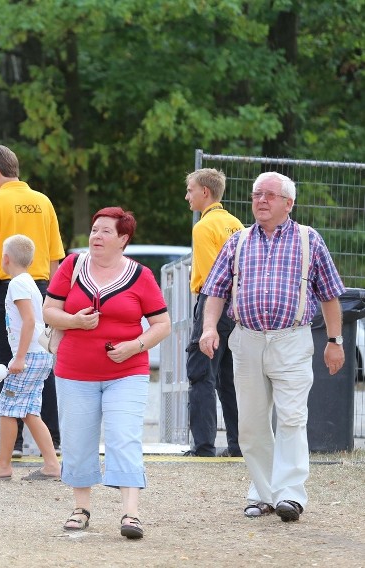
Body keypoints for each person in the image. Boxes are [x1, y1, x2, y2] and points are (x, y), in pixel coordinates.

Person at [199, 171, 345, 523]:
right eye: (256, 194)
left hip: (291, 341)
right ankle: (265, 494)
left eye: (269, 195)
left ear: (288, 203)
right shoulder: (237, 242)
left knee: (293, 418)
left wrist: (335, 342)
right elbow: (215, 291)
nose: (260, 201)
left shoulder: (310, 241)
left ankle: (291, 496)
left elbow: (330, 295)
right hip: (246, 340)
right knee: (250, 424)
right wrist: (207, 329)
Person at [43, 207, 171, 539]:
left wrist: (135, 345)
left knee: (124, 436)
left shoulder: (141, 275)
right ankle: (80, 508)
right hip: (74, 371)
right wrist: (74, 321)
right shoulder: (72, 266)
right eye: (94, 229)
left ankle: (131, 514)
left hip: (128, 371)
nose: (96, 236)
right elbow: (49, 310)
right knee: (77, 439)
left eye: (105, 232)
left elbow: (162, 324)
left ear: (123, 239)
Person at [0, 144, 64, 456]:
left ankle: (15, 441)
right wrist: (54, 297)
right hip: (41, 288)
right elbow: (54, 256)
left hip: (6, 288)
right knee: (43, 362)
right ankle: (53, 438)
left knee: (9, 362)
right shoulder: (43, 201)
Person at [0, 235, 60, 481]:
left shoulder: (17, 284)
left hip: (28, 356)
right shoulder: (29, 281)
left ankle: (2, 466)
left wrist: (18, 358)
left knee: (7, 407)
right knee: (29, 410)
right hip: (40, 355)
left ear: (6, 259)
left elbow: (29, 320)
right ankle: (52, 465)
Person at [183, 168, 244, 457]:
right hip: (238, 307)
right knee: (229, 377)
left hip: (214, 303)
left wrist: (207, 317)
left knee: (200, 374)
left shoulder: (203, 227)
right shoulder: (236, 224)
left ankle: (204, 445)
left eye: (190, 190)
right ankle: (238, 444)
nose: (188, 196)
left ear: (204, 192)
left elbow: (212, 277)